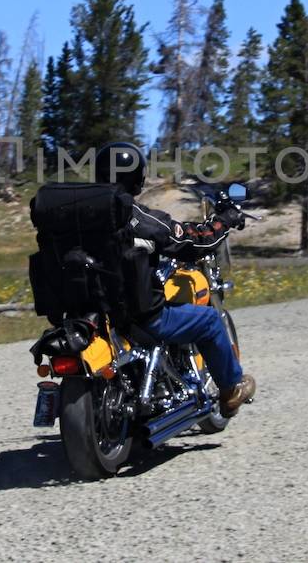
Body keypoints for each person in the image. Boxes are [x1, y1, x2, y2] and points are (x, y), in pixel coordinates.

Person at [91, 141, 257, 417]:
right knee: (210, 321)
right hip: (138, 314)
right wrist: (224, 220)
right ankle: (230, 390)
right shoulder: (133, 216)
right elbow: (192, 241)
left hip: (95, 312)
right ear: (136, 178)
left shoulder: (78, 216)